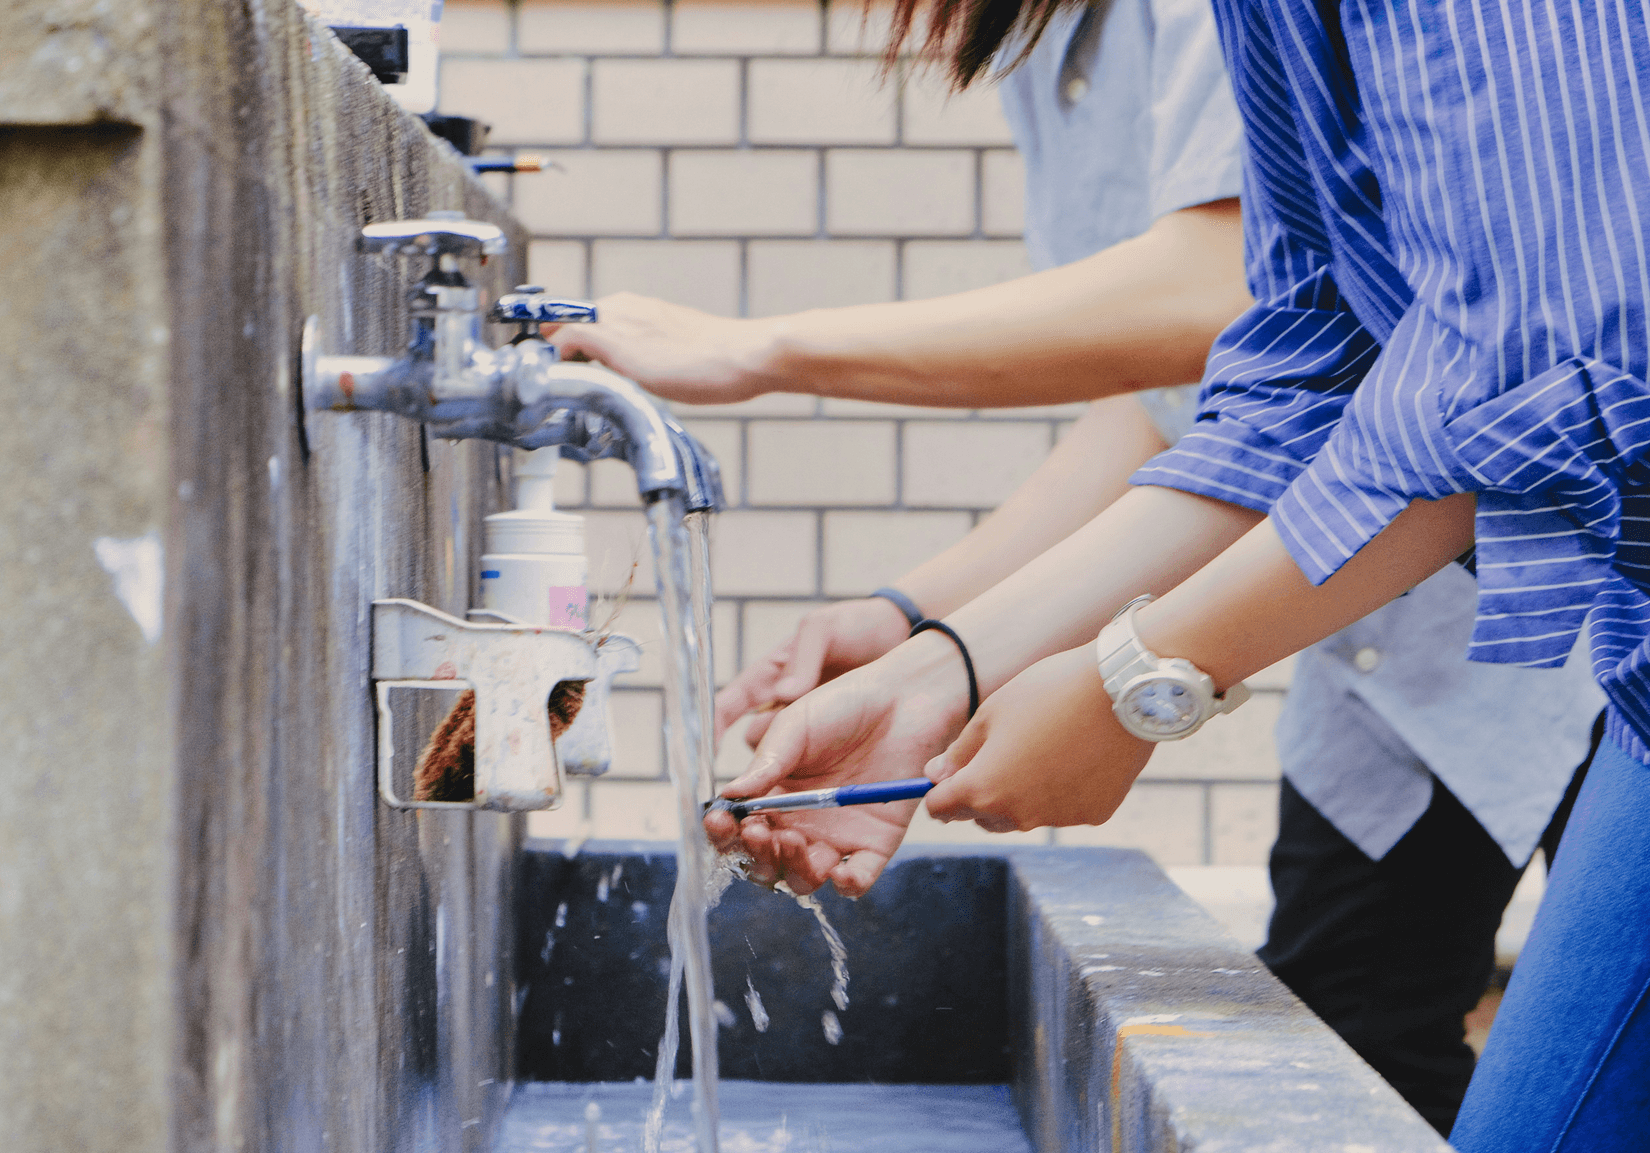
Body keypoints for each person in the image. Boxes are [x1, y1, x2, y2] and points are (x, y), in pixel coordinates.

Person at [549, 0, 1603, 1134]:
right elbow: (1287, 382)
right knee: (1379, 1036)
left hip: (1579, 616)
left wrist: (1140, 675)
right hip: (1443, 610)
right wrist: (935, 663)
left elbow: (1517, 363)